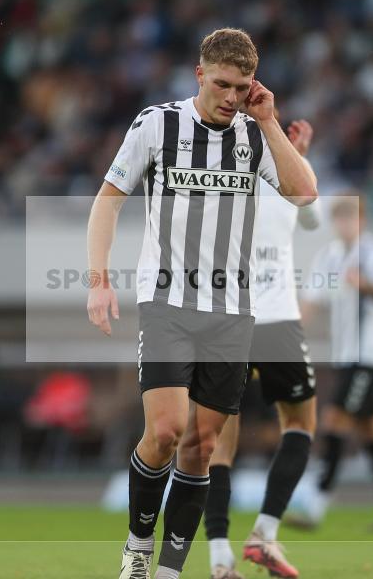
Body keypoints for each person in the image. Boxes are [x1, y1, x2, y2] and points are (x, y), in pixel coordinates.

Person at [86, 28, 317, 579]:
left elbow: (305, 193)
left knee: (202, 444)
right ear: (199, 75)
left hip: (232, 312)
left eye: (241, 87)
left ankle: (169, 570)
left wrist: (267, 121)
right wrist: (98, 279)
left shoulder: (253, 133)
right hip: (167, 303)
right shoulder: (155, 124)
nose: (230, 97)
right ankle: (138, 551)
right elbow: (107, 203)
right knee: (164, 430)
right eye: (221, 84)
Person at [204, 118, 320, 579]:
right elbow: (312, 216)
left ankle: (218, 560)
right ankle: (264, 536)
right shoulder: (292, 174)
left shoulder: (214, 173)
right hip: (275, 320)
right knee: (300, 424)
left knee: (217, 443)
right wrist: (299, 156)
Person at [295, 194, 373, 530]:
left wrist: (366, 285)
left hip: (369, 357)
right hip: (345, 357)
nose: (345, 225)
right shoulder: (329, 256)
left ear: (362, 220)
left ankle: (316, 506)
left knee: (335, 420)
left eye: (350, 218)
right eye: (340, 219)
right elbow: (310, 302)